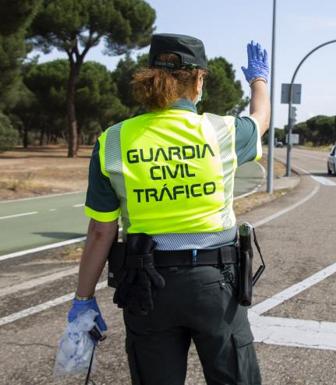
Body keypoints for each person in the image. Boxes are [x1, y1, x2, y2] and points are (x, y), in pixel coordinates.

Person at [66, 33, 270, 385]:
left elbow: (101, 231)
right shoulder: (221, 131)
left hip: (147, 287)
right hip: (216, 284)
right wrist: (259, 80)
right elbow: (261, 118)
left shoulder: (112, 141)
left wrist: (83, 299)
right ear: (200, 80)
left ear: (149, 77)